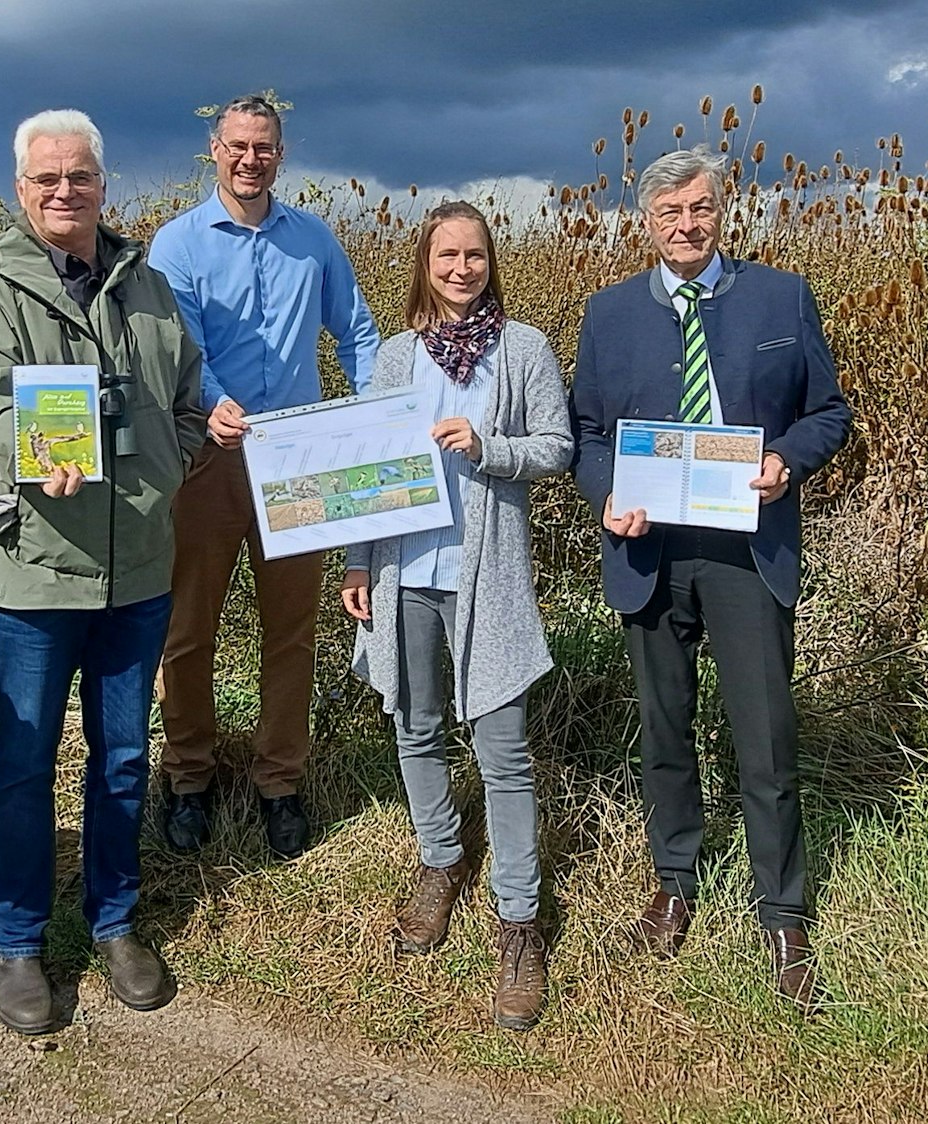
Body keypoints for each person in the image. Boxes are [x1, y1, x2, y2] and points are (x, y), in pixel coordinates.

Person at [568, 147, 851, 1009]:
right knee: (665, 732)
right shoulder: (608, 313)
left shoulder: (778, 297)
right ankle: (674, 881)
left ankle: (783, 911)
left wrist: (785, 460)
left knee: (765, 739)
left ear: (721, 210)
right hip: (650, 553)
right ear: (644, 222)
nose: (685, 227)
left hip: (745, 552)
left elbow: (828, 412)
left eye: (698, 210)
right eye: (668, 215)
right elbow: (585, 433)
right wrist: (606, 493)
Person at [0, 108, 206, 1034]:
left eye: (81, 176)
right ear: (21, 190)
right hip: (35, 571)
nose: (65, 191)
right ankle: (19, 942)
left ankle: (114, 921)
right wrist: (31, 450)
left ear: (105, 183)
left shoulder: (150, 289)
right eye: (47, 179)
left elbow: (185, 401)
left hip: (137, 567)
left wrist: (171, 463)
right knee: (23, 763)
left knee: (124, 758)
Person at [339, 202, 571, 1030]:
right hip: (406, 574)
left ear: (489, 261)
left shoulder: (525, 349)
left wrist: (488, 446)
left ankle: (517, 919)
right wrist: (358, 562)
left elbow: (558, 446)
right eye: (447, 254)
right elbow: (363, 466)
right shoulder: (396, 357)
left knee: (503, 751)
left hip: (489, 581)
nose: (462, 267)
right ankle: (440, 860)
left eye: (474, 254)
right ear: (424, 262)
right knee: (415, 725)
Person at [148, 93, 380, 858]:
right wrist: (214, 403)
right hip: (207, 459)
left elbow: (357, 331)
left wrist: (376, 419)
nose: (250, 159)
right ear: (214, 149)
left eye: (265, 148)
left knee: (292, 631)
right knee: (190, 630)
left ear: (281, 154)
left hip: (300, 461)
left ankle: (279, 779)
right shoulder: (175, 246)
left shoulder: (313, 241)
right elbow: (177, 350)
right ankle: (188, 775)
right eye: (237, 146)